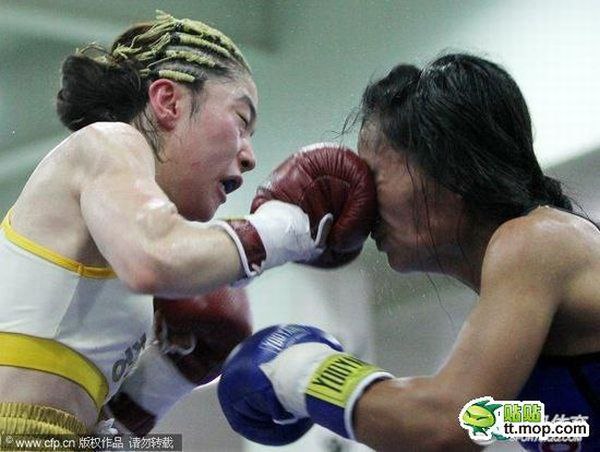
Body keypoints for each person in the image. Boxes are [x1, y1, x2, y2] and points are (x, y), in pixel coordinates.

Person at [0, 10, 375, 437]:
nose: (249, 156)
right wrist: (285, 226)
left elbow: (73, 426)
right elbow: (156, 258)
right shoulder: (108, 142)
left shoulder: (122, 262)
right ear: (169, 102)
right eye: (241, 120)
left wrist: (162, 382)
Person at [218, 53, 600, 451]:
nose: (363, 200)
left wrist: (299, 372)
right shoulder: (532, 269)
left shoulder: (537, 241)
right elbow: (530, 424)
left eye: (372, 175)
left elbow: (446, 427)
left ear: (449, 165)